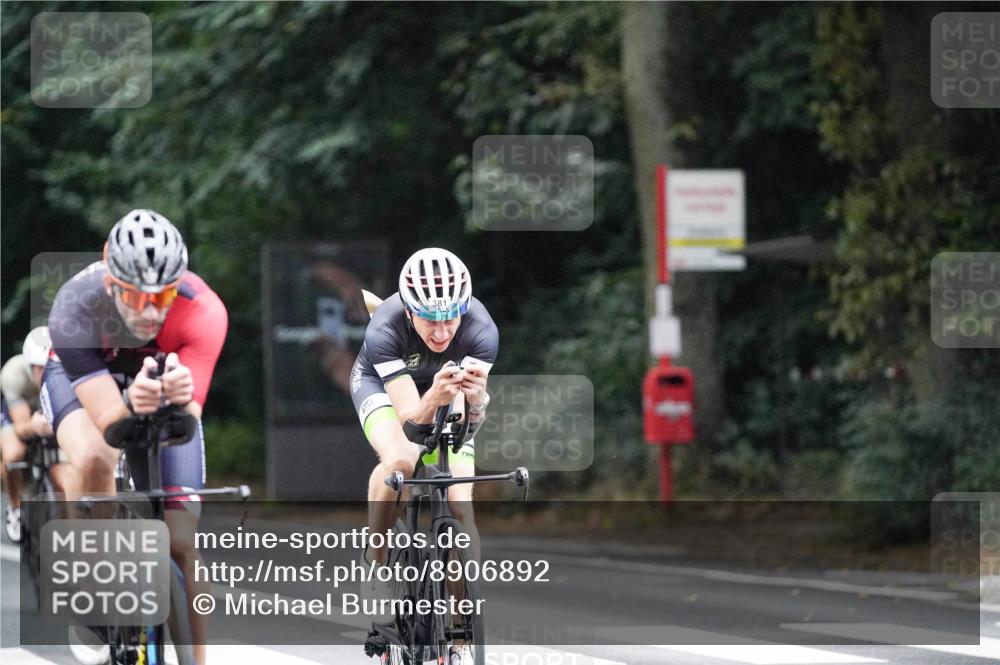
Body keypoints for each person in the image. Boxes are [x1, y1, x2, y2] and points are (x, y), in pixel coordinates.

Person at [43, 209, 227, 665]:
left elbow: (184, 423)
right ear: (111, 283)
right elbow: (111, 421)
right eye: (133, 295)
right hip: (84, 373)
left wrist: (180, 399)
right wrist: (131, 404)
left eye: (162, 295)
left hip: (158, 374)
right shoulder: (73, 306)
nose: (149, 310)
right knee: (93, 458)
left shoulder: (203, 310)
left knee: (182, 541)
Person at [351, 248, 496, 665]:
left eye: (452, 317)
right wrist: (434, 395)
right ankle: (376, 559)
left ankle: (460, 618)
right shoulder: (384, 327)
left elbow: (470, 425)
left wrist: (478, 401)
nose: (442, 330)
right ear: (410, 312)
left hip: (445, 387)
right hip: (383, 385)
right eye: (431, 319)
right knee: (400, 461)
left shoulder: (482, 330)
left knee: (459, 502)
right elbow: (412, 423)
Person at [1, 326, 66, 542]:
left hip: (46, 412)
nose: (46, 373)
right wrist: (35, 425)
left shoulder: (68, 368)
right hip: (15, 415)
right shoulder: (13, 374)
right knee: (14, 455)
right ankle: (15, 507)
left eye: (51, 367)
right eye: (40, 369)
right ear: (30, 365)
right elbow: (21, 427)